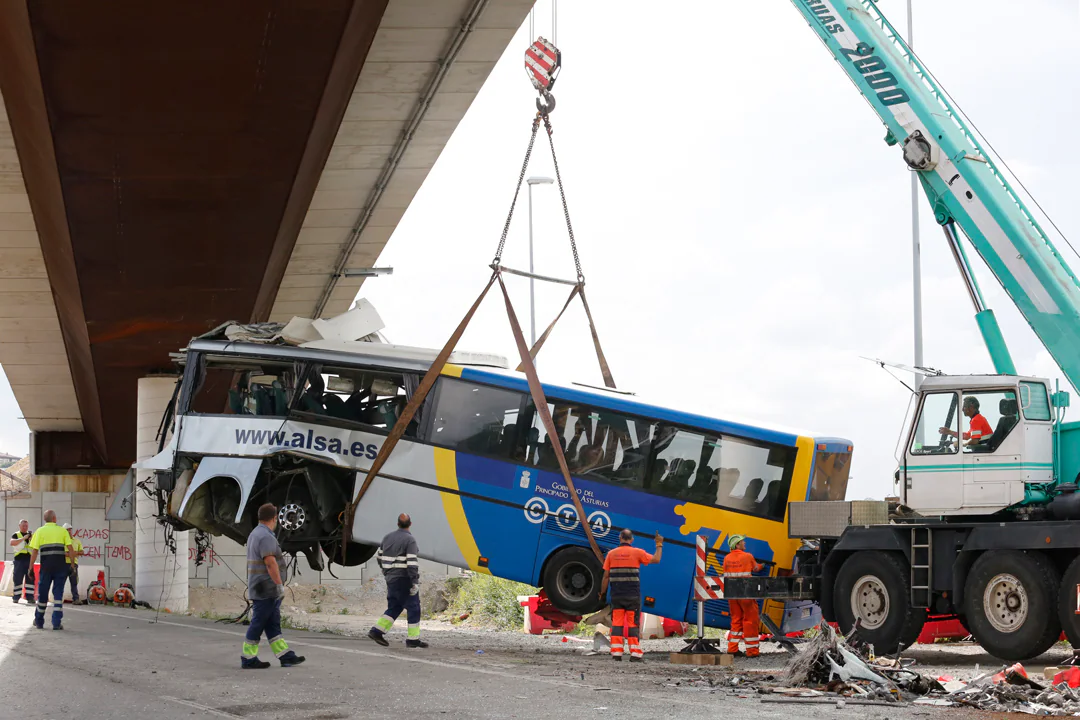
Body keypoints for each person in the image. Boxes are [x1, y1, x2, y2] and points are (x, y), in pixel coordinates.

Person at [241, 503, 305, 669]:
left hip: (261, 586)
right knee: (259, 622)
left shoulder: (256, 534)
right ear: (275, 518)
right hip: (266, 588)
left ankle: (285, 656)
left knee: (272, 623)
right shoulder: (265, 537)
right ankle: (248, 658)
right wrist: (278, 585)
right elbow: (270, 563)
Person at [598, 529, 663, 662]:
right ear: (631, 540)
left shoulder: (611, 554)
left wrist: (602, 593)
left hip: (617, 596)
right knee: (633, 624)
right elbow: (656, 559)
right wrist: (659, 544)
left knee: (617, 624)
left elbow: (605, 577)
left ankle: (616, 653)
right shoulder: (637, 553)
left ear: (620, 538)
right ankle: (635, 654)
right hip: (632, 596)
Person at [368, 513, 426, 648]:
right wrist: (415, 582)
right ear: (410, 524)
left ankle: (377, 631)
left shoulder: (387, 537)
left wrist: (386, 571)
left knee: (396, 606)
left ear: (397, 524)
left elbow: (379, 557)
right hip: (404, 579)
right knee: (414, 607)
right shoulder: (410, 540)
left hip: (391, 579)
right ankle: (413, 640)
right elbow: (411, 562)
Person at [28, 510, 73, 630]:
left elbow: (34, 551)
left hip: (46, 568)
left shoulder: (39, 531)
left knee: (43, 595)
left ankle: (39, 621)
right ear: (54, 518)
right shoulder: (63, 531)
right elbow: (70, 549)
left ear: (45, 519)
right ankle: (56, 623)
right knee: (58, 595)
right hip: (60, 568)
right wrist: (72, 565)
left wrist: (30, 567)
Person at [723, 534, 764, 657]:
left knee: (736, 620)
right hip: (746, 593)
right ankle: (752, 651)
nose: (744, 544)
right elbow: (756, 568)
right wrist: (763, 566)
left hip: (731, 593)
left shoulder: (726, 558)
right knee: (750, 620)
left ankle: (732, 649)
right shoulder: (748, 556)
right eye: (742, 542)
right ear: (737, 545)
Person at [9, 519, 34, 605]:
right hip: (19, 560)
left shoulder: (31, 536)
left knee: (30, 579)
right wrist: (24, 538)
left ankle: (30, 597)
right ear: (19, 526)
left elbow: (35, 547)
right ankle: (16, 597)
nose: (25, 527)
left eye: (26, 526)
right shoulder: (16, 534)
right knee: (17, 578)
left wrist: (31, 538)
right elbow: (12, 543)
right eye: (23, 525)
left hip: (29, 560)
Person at [61, 523, 84, 604]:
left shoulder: (77, 541)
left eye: (70, 529)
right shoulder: (61, 541)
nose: (69, 531)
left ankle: (76, 599)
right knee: (61, 582)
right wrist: (73, 553)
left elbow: (82, 552)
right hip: (63, 564)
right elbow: (62, 553)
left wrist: (71, 553)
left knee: (74, 582)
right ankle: (58, 598)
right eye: (67, 530)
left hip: (74, 564)